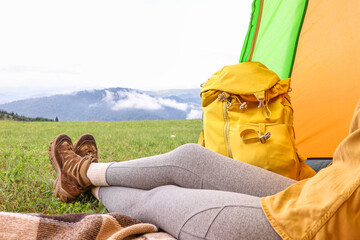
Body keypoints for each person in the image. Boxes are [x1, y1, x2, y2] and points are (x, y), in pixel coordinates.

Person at [49, 102, 360, 239]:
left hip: (318, 230)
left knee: (160, 199)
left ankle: (87, 184)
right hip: (326, 188)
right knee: (189, 157)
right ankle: (81, 173)